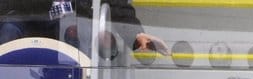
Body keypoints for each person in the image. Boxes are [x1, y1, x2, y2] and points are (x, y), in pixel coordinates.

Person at [0, 0, 168, 57]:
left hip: (73, 27)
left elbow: (117, 5)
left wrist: (135, 35)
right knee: (9, 30)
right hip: (27, 19)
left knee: (78, 31)